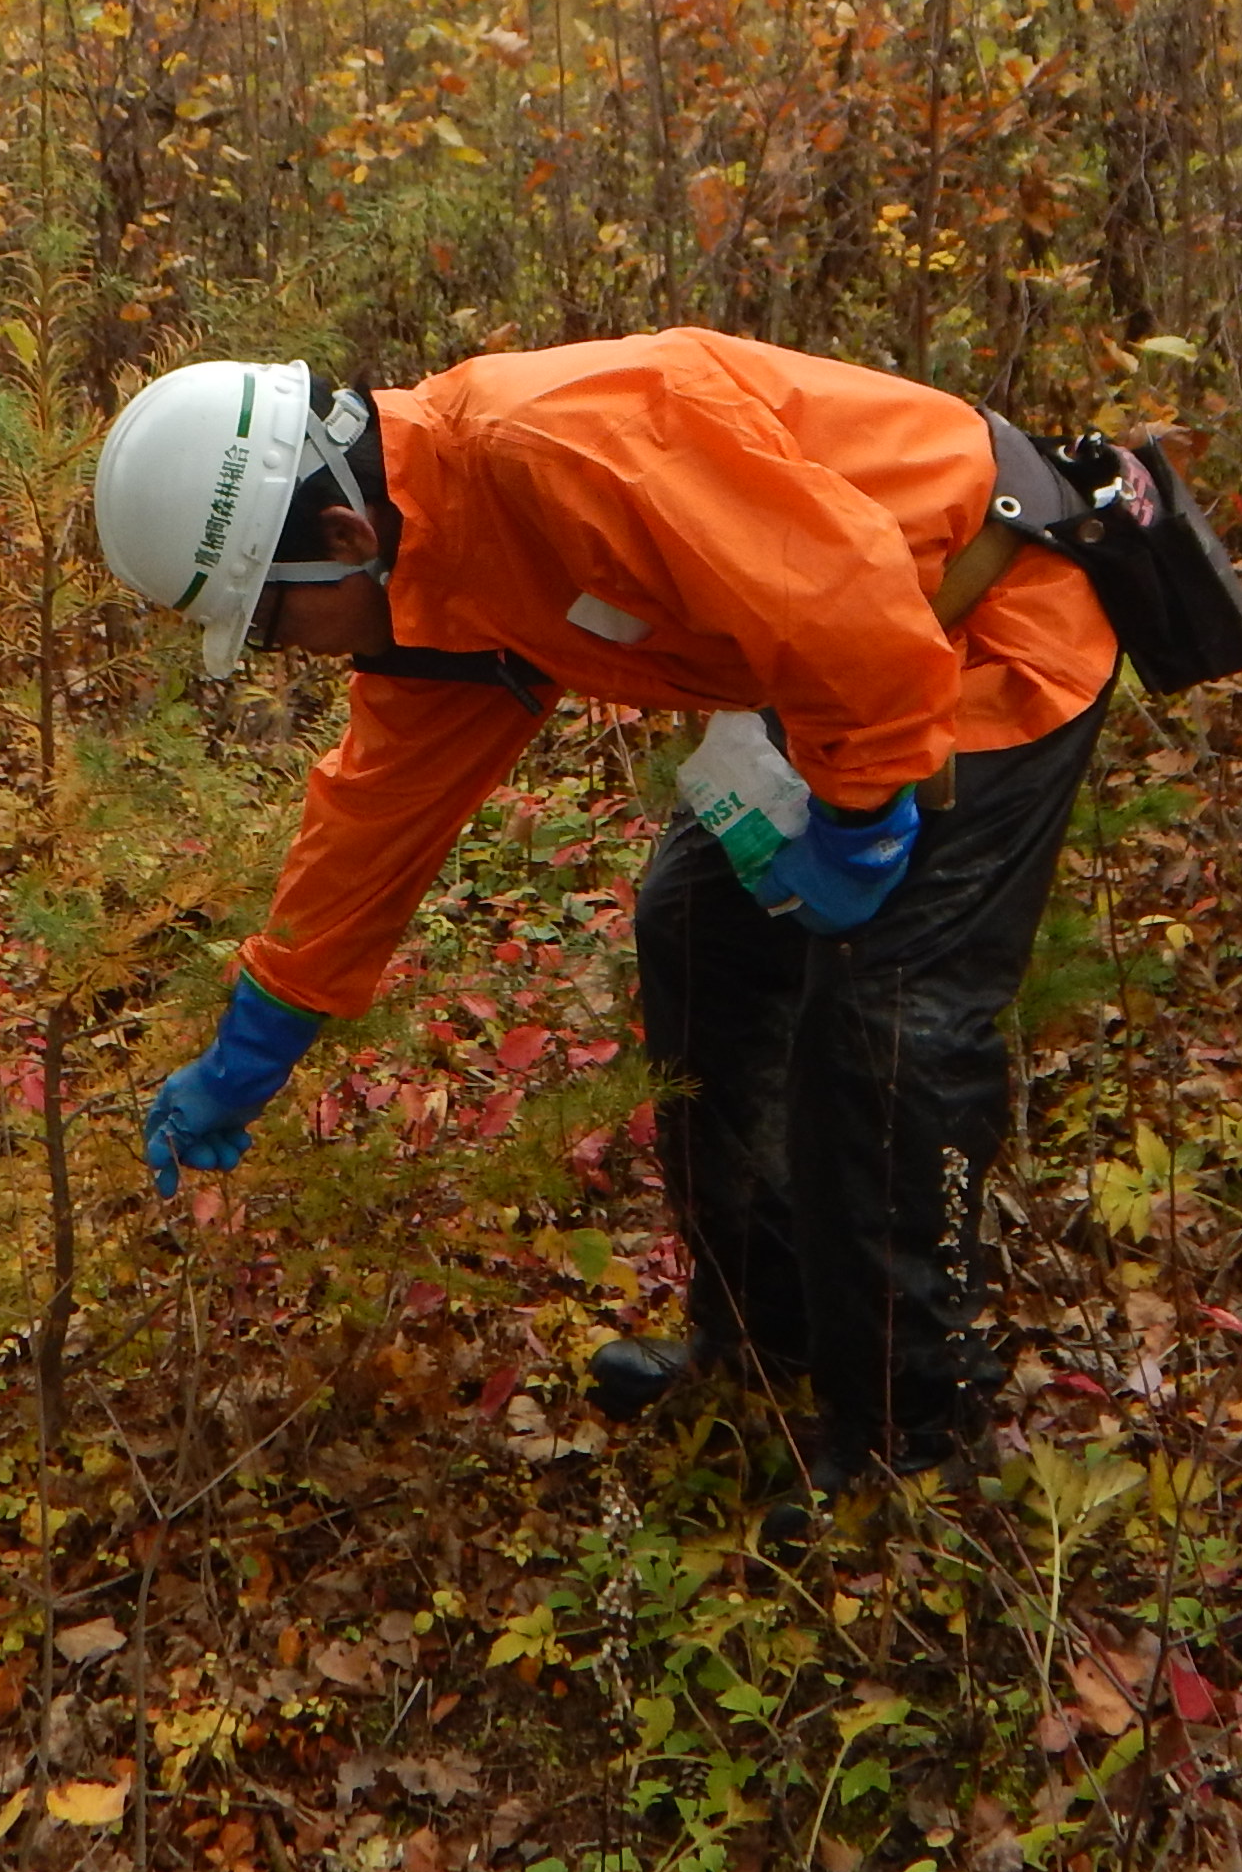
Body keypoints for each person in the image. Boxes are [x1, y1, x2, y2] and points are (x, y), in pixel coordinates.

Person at [88, 331, 1119, 1503]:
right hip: (827, 666)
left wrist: (866, 816)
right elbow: (378, 814)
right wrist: (258, 1038)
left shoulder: (568, 450)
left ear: (343, 540)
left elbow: (854, 608)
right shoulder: (431, 574)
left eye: (272, 627)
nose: (286, 658)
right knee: (696, 933)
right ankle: (766, 1341)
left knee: (887, 1029)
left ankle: (913, 1439)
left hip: (980, 630)